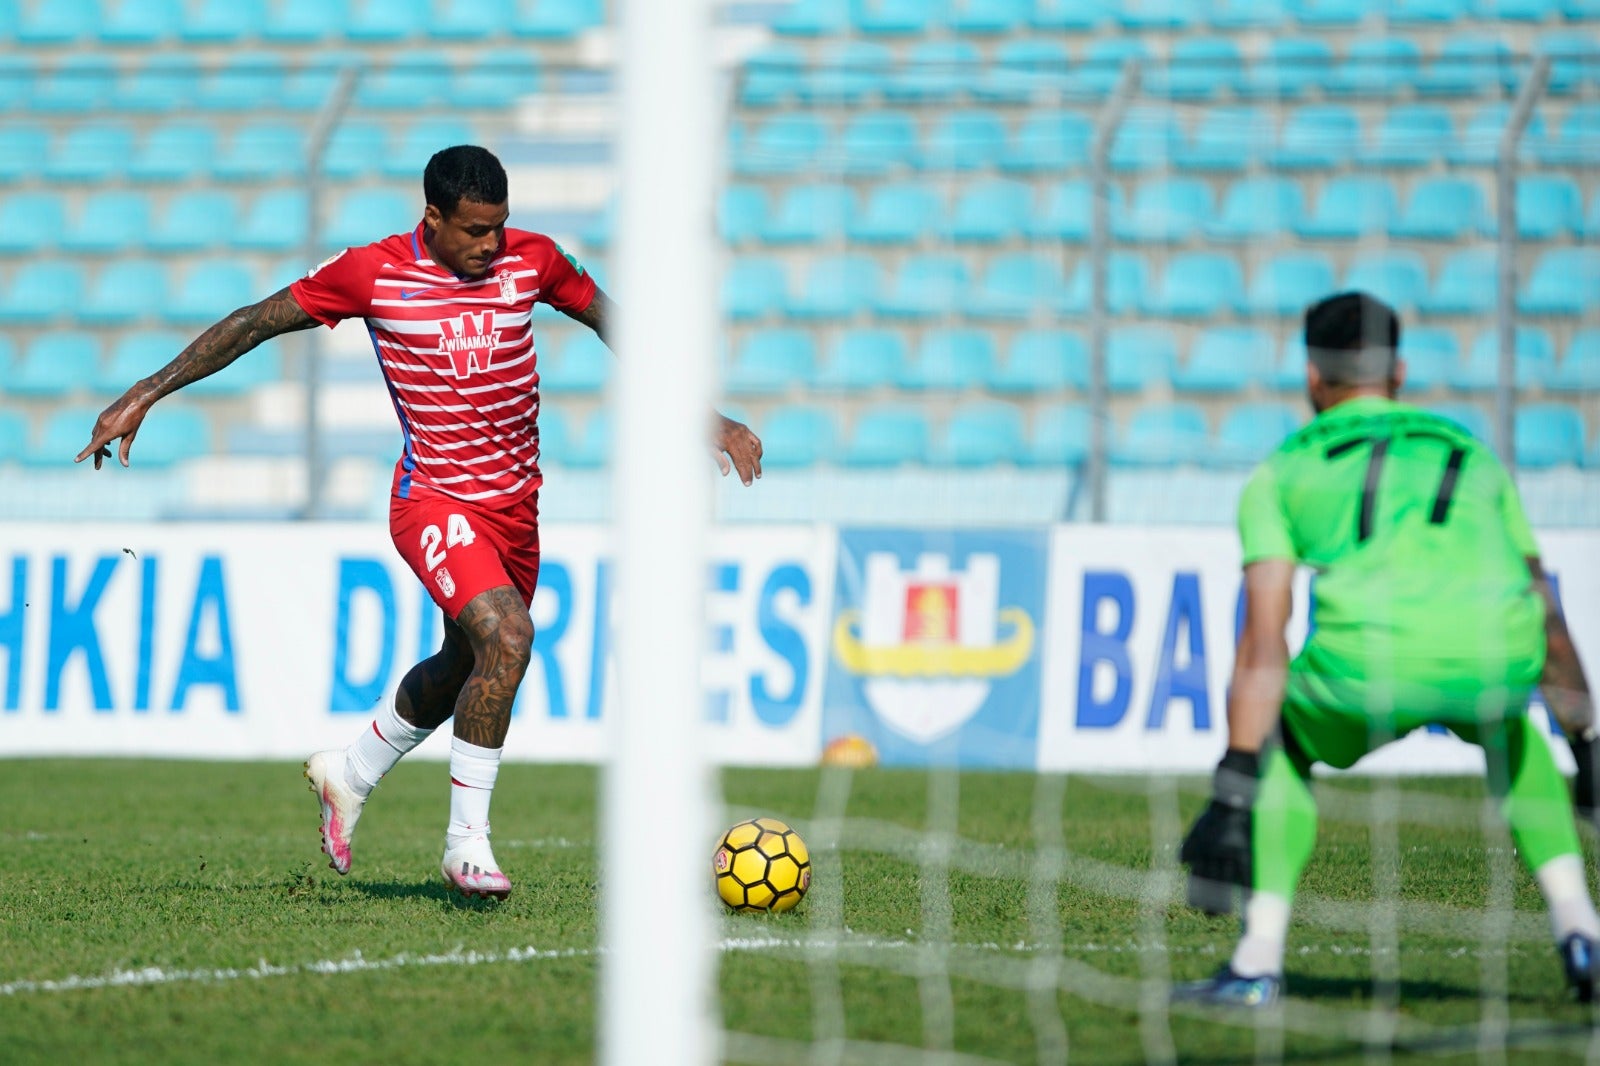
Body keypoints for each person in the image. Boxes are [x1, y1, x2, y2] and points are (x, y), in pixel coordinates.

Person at [78, 145, 765, 900]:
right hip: (433, 500)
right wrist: (145, 391)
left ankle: (351, 772)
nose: (491, 245)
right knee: (508, 636)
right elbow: (253, 323)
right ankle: (466, 848)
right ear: (432, 218)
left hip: (516, 508)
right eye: (475, 231)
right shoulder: (372, 273)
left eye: (500, 227)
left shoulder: (533, 261)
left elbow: (614, 322)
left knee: (467, 667)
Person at [1175, 291, 1600, 1006]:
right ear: (1398, 371)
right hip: (1497, 656)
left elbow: (1263, 639)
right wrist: (1587, 742)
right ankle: (1580, 928)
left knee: (1280, 735)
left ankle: (1255, 962)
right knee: (1508, 730)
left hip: (1364, 662)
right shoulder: (1471, 452)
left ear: (1313, 376)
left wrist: (1236, 777)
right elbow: (1546, 611)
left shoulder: (1282, 470)